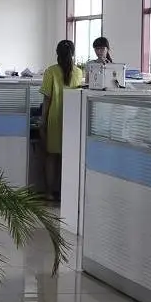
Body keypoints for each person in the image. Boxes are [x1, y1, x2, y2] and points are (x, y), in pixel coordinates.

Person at [40, 39, 85, 202]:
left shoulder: (50, 71)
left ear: (57, 53)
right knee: (69, 157)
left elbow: (47, 98)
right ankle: (66, 193)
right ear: (73, 53)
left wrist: (42, 121)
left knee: (51, 156)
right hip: (73, 119)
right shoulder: (78, 72)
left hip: (55, 118)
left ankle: (49, 192)